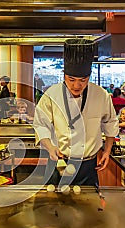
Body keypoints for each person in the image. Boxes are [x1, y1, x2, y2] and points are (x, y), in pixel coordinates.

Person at [34, 38, 118, 186]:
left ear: (89, 77)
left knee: (89, 205)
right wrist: (50, 146)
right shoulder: (51, 94)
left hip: (88, 165)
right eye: (71, 79)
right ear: (64, 74)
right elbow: (41, 125)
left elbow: (110, 122)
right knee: (53, 205)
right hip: (58, 162)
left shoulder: (101, 95)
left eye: (82, 80)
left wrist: (107, 151)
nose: (77, 85)